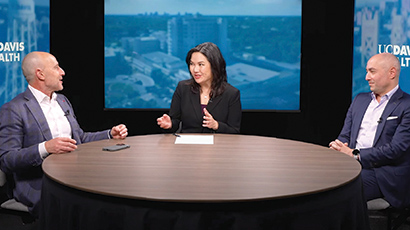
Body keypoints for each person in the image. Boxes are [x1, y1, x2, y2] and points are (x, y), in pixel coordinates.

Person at [0, 51, 128, 218]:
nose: (62, 72)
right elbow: (7, 160)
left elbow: (79, 140)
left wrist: (110, 134)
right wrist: (45, 148)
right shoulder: (14, 109)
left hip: (72, 175)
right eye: (56, 67)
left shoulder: (62, 101)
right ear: (40, 74)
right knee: (83, 204)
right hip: (38, 182)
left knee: (109, 192)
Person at [329, 52, 410, 209]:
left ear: (392, 73)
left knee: (338, 191)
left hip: (384, 174)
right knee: (321, 179)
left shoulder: (407, 105)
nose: (366, 77)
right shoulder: (360, 99)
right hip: (352, 165)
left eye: (372, 71)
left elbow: (396, 149)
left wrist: (355, 154)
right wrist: (338, 146)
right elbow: (345, 135)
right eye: (367, 71)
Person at [157, 42, 242, 133]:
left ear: (214, 65)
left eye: (201, 64)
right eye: (192, 64)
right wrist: (170, 124)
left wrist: (216, 125)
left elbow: (234, 131)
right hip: (187, 145)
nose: (195, 70)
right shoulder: (183, 88)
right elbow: (175, 121)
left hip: (217, 145)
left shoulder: (231, 94)